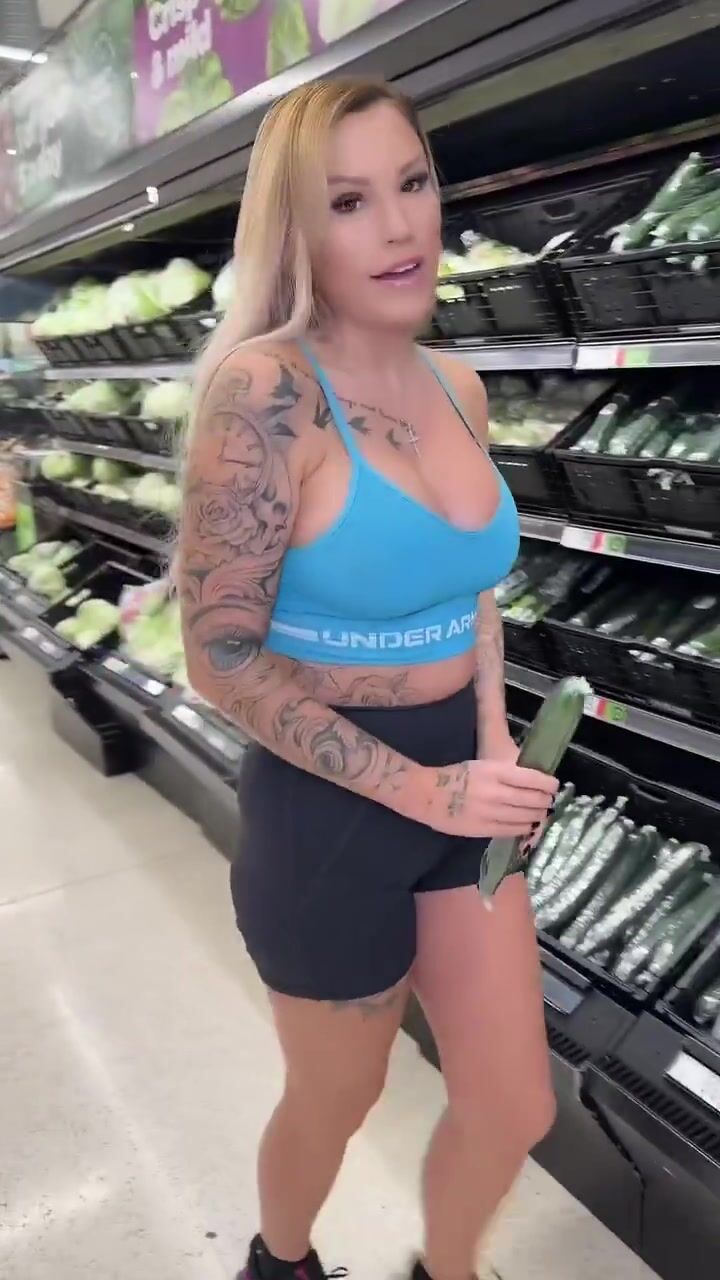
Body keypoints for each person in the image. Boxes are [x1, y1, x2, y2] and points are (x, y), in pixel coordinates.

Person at [178, 77, 558, 1280]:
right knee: (337, 1098)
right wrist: (423, 790)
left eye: (413, 183)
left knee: (515, 1103)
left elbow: (472, 583)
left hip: (463, 786)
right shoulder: (265, 395)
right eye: (349, 201)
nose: (400, 227)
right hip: (327, 810)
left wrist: (492, 737)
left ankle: (447, 1269)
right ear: (297, 227)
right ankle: (279, 1260)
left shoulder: (457, 386)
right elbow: (219, 655)